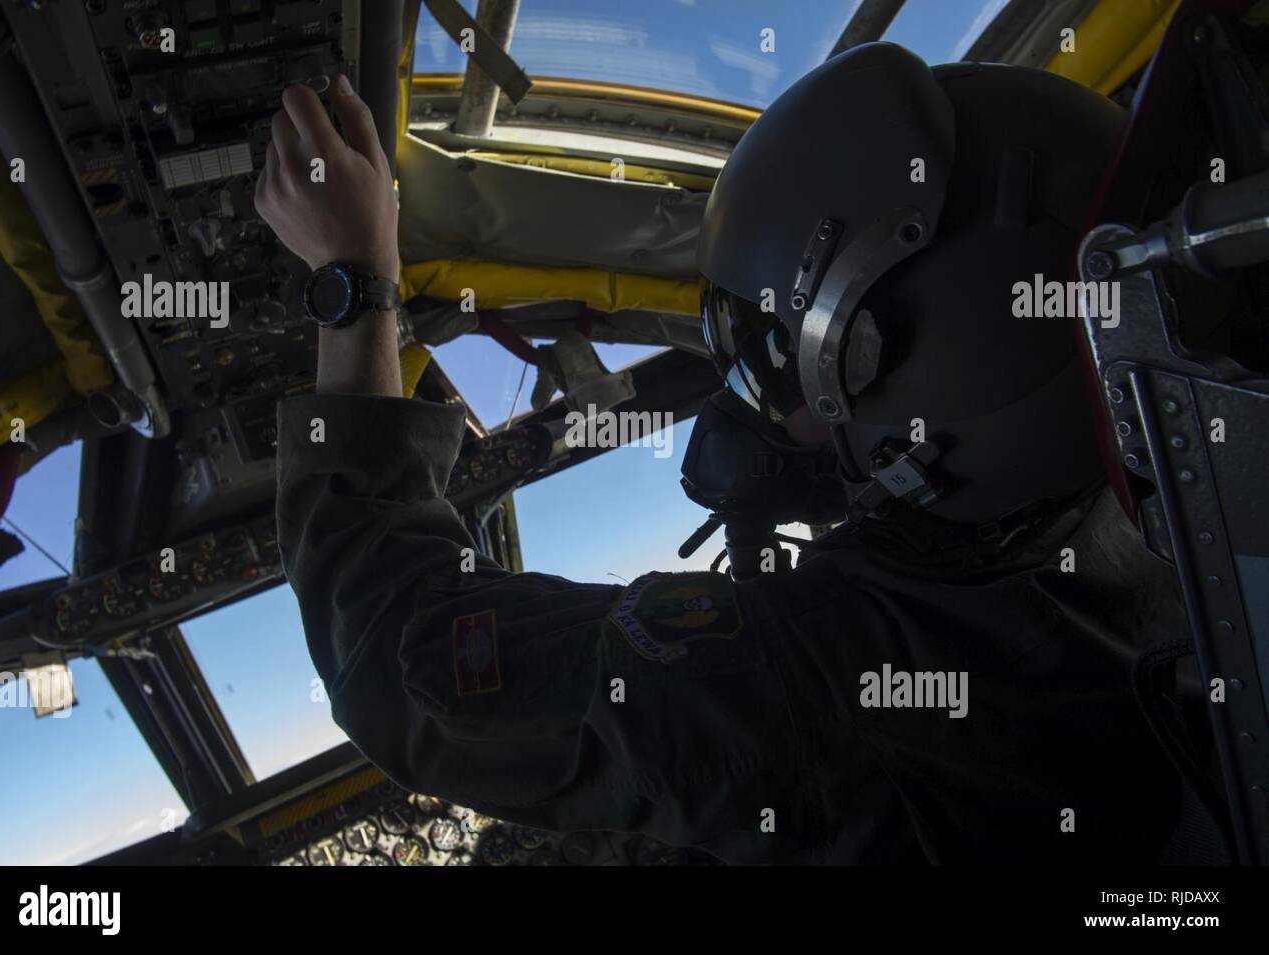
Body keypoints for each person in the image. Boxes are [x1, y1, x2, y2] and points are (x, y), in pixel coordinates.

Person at [258, 44, 1196, 864]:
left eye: (771, 368)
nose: (748, 406)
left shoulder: (811, 679)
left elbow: (397, 658)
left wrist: (355, 286)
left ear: (917, 419)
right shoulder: (1155, 530)